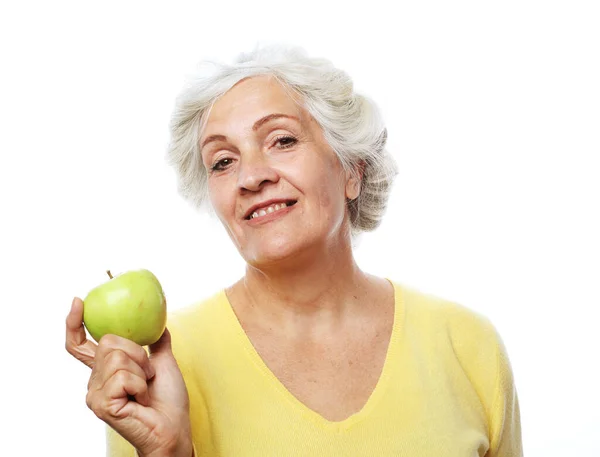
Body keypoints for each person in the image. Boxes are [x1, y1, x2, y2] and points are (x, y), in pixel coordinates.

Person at [65, 44, 523, 457]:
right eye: (223, 161)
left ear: (352, 171)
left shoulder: (467, 343)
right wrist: (167, 453)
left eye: (282, 140)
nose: (251, 177)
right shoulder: (158, 369)